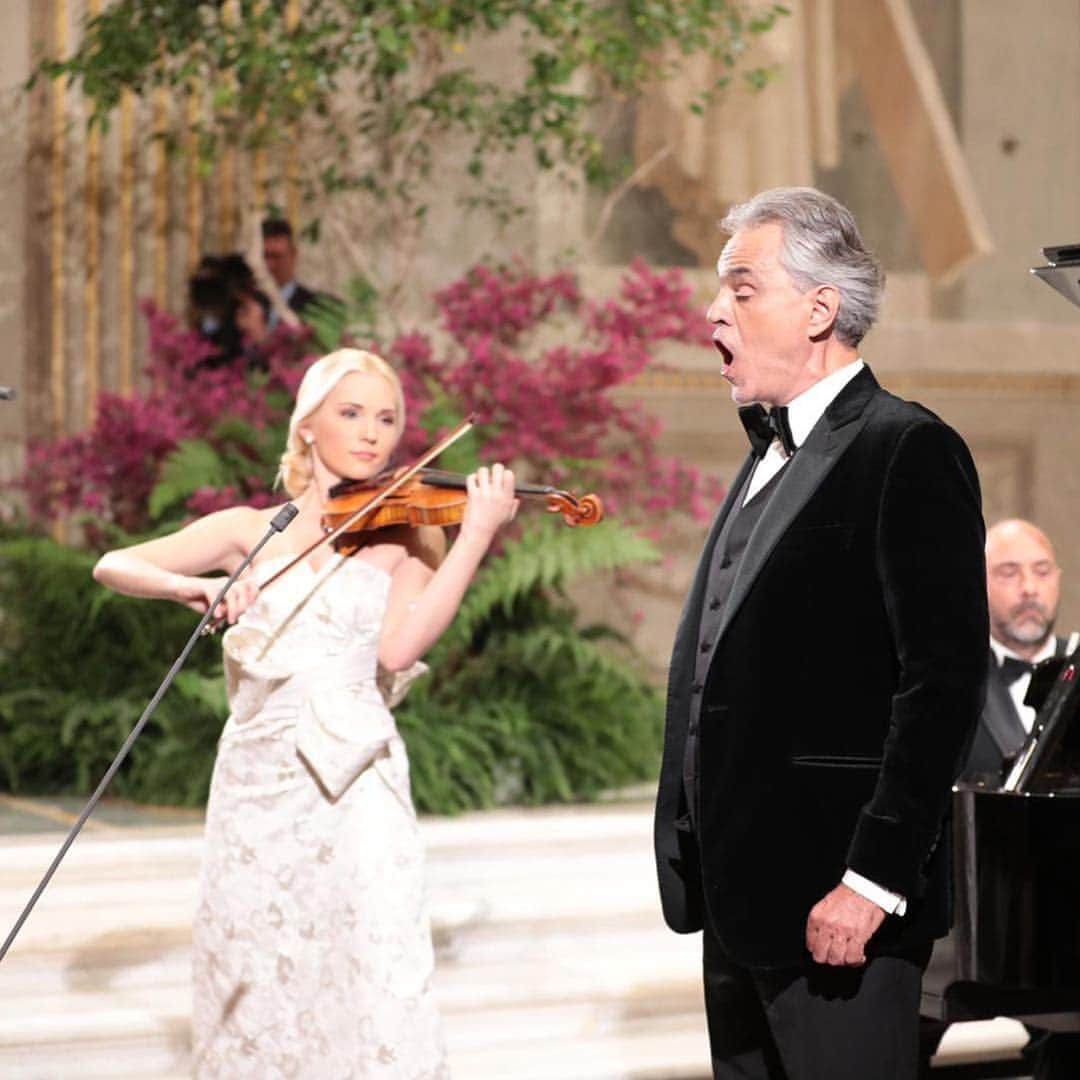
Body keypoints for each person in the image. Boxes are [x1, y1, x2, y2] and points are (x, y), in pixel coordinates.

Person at [93, 348, 518, 1077]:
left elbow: (398, 650)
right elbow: (115, 563)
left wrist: (474, 536)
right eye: (351, 413)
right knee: (259, 958)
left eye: (387, 419)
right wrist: (187, 590)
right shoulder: (248, 528)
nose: (372, 433)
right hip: (259, 776)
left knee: (375, 955)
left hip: (357, 773)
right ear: (308, 426)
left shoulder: (413, 531)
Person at [653, 187, 988, 1079]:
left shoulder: (908, 449)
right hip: (739, 913)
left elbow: (943, 684)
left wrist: (872, 881)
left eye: (741, 288)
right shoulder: (763, 454)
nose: (713, 312)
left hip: (843, 914)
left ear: (820, 309)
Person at [963, 518, 1075, 782]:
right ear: (978, 582)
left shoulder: (1074, 664)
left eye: (1042, 571)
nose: (1029, 588)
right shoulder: (954, 679)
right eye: (1008, 572)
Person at [262, 218, 322, 326]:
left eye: (277, 257)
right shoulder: (247, 305)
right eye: (265, 256)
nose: (269, 265)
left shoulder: (315, 307)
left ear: (293, 256)